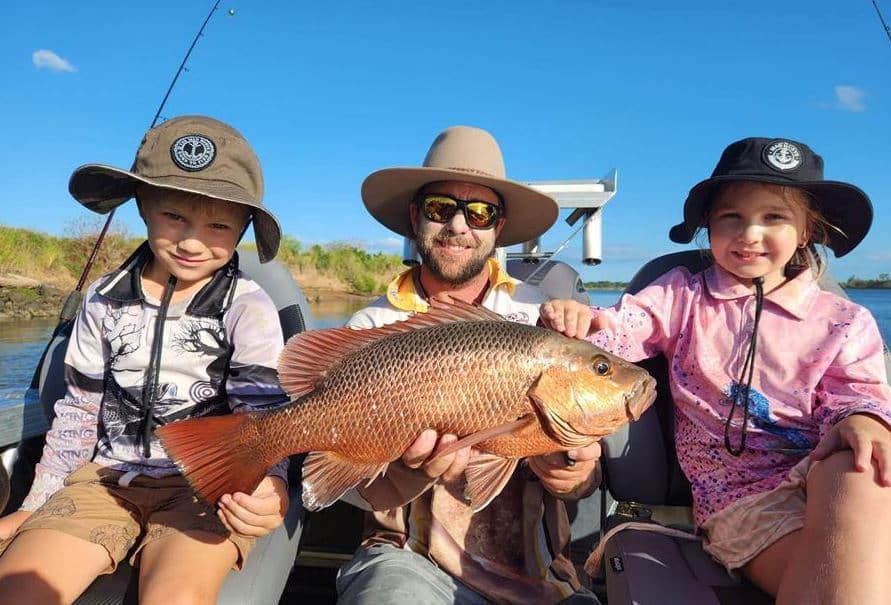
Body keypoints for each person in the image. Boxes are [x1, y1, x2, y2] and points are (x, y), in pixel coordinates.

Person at [541, 137, 891, 603]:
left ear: (807, 230)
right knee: (843, 580)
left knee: (860, 461)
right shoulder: (682, 297)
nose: (749, 233)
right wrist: (580, 322)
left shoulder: (845, 320)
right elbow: (622, 328)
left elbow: (856, 394)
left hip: (828, 481)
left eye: (774, 217)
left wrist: (863, 419)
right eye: (732, 217)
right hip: (742, 504)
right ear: (709, 225)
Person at [0, 115, 290, 604]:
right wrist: (38, 504)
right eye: (174, 216)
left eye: (218, 225)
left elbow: (261, 417)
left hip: (207, 488)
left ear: (243, 229)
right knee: (19, 589)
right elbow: (79, 412)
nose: (193, 241)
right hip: (103, 480)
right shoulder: (103, 298)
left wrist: (270, 484)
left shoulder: (248, 306)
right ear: (143, 208)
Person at [335, 125, 603, 605]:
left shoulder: (543, 321)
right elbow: (339, 484)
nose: (460, 225)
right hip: (407, 559)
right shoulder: (371, 325)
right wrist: (407, 472)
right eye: (442, 208)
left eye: (480, 212)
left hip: (539, 574)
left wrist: (576, 475)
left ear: (497, 227)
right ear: (416, 217)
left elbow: (584, 475)